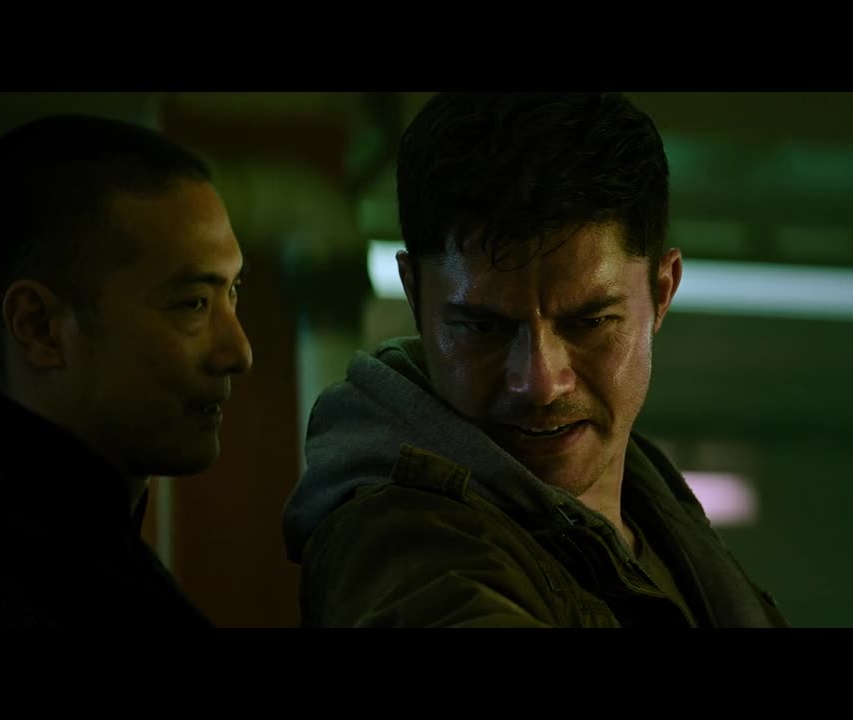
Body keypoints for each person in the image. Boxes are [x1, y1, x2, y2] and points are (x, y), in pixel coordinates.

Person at [283, 93, 787, 627]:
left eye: (589, 322)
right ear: (415, 294)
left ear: (661, 292)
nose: (540, 382)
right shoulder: (404, 546)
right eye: (483, 327)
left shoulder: (667, 528)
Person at [0, 114, 253, 628]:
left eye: (232, 292)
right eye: (193, 303)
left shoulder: (67, 563)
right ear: (39, 327)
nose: (239, 352)